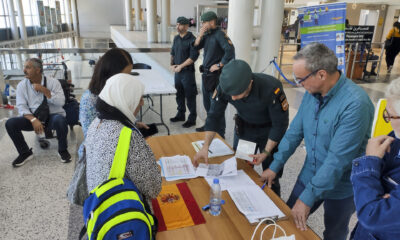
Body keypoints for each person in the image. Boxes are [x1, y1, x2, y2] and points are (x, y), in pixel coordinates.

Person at [261, 42, 374, 240]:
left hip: (341, 185)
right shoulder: (312, 93)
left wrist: (307, 199)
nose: (298, 84)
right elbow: (294, 133)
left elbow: (337, 160)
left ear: (321, 74)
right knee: (289, 221)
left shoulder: (356, 104)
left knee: (334, 232)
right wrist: (275, 165)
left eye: (300, 79)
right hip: (310, 174)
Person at [193, 60, 289, 196]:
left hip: (270, 134)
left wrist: (266, 152)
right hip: (246, 132)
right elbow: (214, 116)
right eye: (231, 94)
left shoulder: (271, 88)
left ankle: (276, 205)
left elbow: (280, 124)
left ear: (250, 82)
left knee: (271, 177)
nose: (233, 98)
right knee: (241, 170)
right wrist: (205, 146)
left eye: (237, 93)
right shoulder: (225, 86)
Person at [85, 73, 162, 206]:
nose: (142, 103)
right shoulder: (128, 136)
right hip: (123, 212)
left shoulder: (96, 122)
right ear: (125, 99)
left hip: (98, 206)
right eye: (139, 98)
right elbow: (153, 189)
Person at [350, 77, 400, 240]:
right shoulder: (396, 138)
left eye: (390, 116)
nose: (389, 123)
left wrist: (370, 162)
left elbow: (373, 215)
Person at [6, 58, 71, 167]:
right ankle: (25, 152)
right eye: (24, 67)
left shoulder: (53, 82)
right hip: (32, 119)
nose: (24, 70)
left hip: (51, 117)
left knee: (60, 120)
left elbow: (61, 102)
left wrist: (45, 91)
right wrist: (33, 119)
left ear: (38, 70)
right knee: (10, 123)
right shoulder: (22, 86)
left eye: (28, 67)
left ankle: (62, 150)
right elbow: (21, 107)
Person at [193, 11, 235, 137]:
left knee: (217, 107)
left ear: (212, 22)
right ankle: (209, 125)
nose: (203, 25)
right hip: (206, 75)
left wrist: (219, 65)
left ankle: (220, 133)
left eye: (204, 22)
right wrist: (200, 35)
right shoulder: (207, 34)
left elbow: (230, 51)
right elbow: (195, 46)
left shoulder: (220, 34)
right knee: (207, 104)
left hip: (216, 77)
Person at [169, 16, 199, 128]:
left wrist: (181, 66)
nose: (177, 26)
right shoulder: (176, 38)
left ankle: (192, 119)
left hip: (187, 72)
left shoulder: (192, 40)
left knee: (190, 96)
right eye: (176, 24)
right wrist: (172, 64)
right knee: (179, 94)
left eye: (179, 24)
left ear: (186, 26)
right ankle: (180, 114)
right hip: (178, 72)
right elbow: (172, 52)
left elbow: (193, 57)